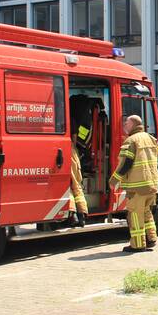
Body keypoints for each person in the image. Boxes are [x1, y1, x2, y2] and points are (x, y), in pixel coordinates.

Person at [110, 115, 158, 253]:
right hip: (152, 185)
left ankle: (138, 245)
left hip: (137, 187)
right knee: (147, 212)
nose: (124, 126)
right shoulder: (151, 139)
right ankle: (151, 239)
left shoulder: (131, 141)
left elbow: (126, 163)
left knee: (135, 214)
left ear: (133, 124)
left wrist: (113, 180)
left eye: (126, 123)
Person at [68, 95, 91, 227]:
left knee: (67, 185)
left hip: (61, 151)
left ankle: (72, 215)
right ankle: (82, 215)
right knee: (77, 184)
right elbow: (75, 138)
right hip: (72, 151)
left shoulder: (62, 116)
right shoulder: (73, 120)